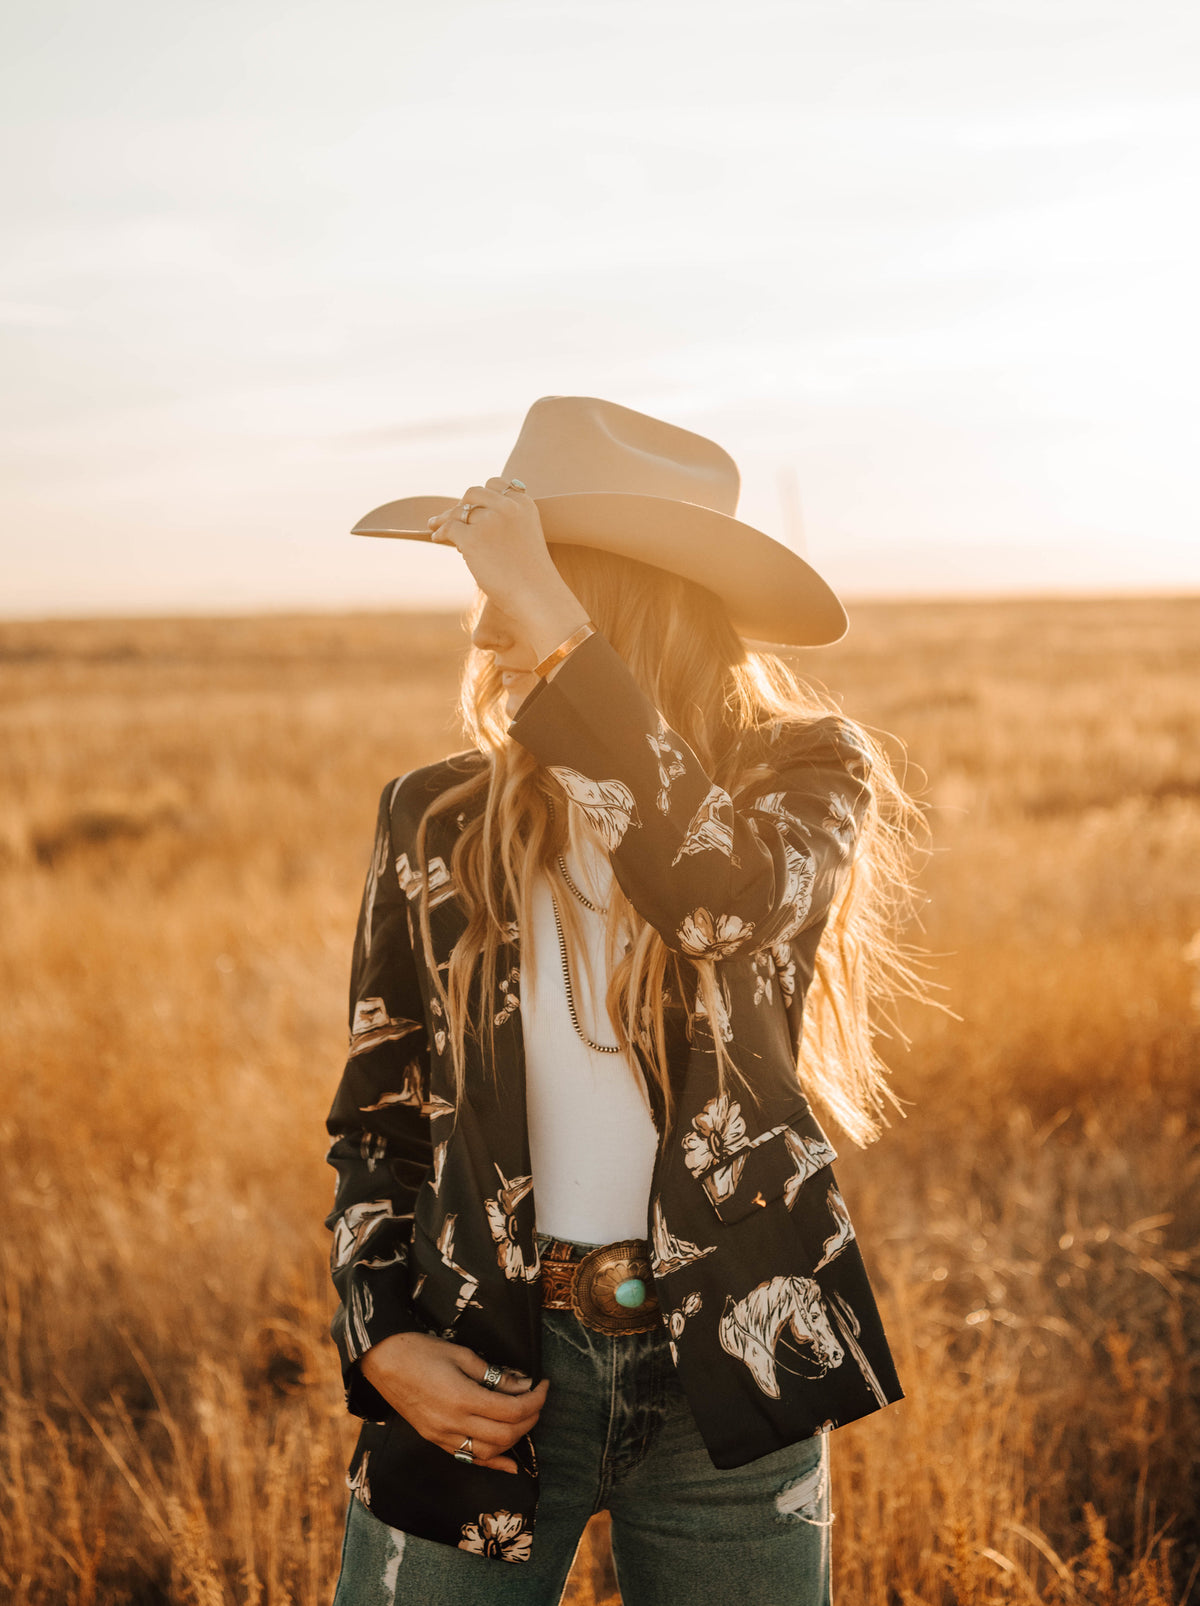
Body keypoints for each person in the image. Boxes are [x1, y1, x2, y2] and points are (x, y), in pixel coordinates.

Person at [324, 396, 927, 1605]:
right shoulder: (432, 815)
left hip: (735, 1369)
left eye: (520, 581)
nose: (485, 626)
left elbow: (714, 903)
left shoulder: (806, 775)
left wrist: (554, 635)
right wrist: (379, 1336)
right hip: (485, 1360)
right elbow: (378, 1112)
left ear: (609, 598)